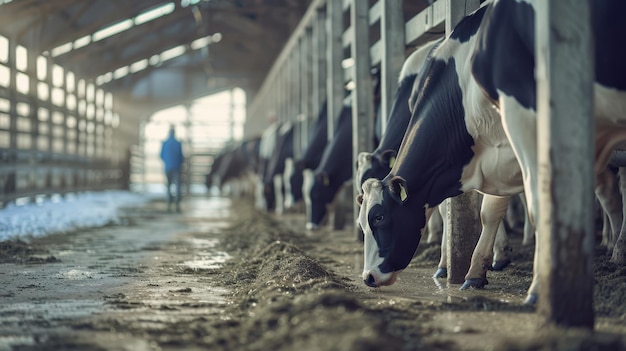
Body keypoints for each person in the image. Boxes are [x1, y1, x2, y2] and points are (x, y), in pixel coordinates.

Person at [160, 126, 185, 212]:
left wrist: (167, 162)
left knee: (168, 185)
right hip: (177, 167)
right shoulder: (178, 143)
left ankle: (168, 204)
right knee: (177, 186)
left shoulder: (164, 143)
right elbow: (181, 156)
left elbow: (161, 155)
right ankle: (177, 204)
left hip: (168, 168)